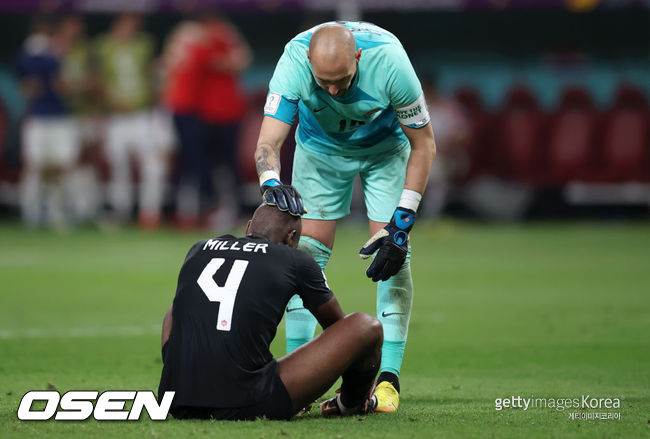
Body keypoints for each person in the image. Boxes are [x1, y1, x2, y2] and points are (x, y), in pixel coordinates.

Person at [254, 22, 436, 412]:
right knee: (302, 257)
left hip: (386, 151)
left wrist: (402, 222)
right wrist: (271, 181)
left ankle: (388, 380)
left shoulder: (390, 61)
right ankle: (297, 381)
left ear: (358, 58)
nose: (334, 91)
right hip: (319, 152)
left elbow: (424, 144)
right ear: (308, 63)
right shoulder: (293, 60)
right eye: (325, 82)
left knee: (394, 256)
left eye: (343, 80)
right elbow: (268, 141)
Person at [158, 197, 383, 419]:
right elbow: (338, 327)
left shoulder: (199, 248)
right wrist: (362, 376)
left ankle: (182, 383)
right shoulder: (295, 259)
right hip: (246, 399)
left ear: (248, 227)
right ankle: (349, 404)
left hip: (176, 399)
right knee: (366, 327)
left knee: (175, 309)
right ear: (291, 237)